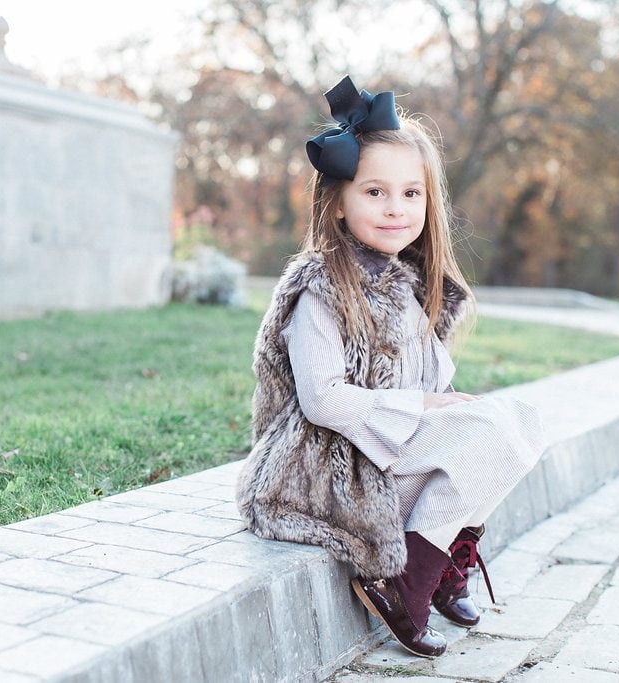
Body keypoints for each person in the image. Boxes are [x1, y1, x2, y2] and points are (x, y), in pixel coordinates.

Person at [235, 76, 546, 658]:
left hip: (382, 448)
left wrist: (444, 402)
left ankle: (445, 554)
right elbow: (324, 402)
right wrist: (430, 408)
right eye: (375, 191)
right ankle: (403, 583)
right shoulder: (322, 288)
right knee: (483, 436)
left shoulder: (412, 285)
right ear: (337, 204)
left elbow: (425, 387)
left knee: (520, 419)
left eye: (411, 194)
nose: (396, 208)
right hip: (323, 469)